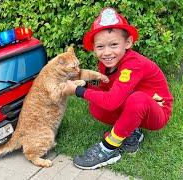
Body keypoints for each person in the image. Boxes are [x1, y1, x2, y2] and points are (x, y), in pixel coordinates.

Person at [62, 7, 173, 170]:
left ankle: (108, 148)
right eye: (100, 47)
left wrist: (78, 91)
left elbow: (112, 101)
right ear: (94, 48)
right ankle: (132, 132)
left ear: (127, 43)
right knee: (96, 106)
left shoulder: (133, 64)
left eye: (114, 44)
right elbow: (107, 92)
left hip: (157, 111)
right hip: (134, 103)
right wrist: (84, 85)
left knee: (137, 99)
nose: (107, 52)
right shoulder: (107, 63)